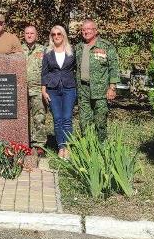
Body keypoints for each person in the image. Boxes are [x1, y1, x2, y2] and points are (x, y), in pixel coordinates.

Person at [75, 19, 120, 141]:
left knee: (100, 122)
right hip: (83, 91)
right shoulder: (78, 47)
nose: (86, 32)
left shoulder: (106, 46)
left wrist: (112, 87)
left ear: (96, 31)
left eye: (89, 29)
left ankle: (102, 148)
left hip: (100, 91)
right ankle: (88, 149)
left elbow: (114, 67)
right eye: (83, 30)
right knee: (84, 122)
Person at [41, 25, 77, 159]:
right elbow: (44, 72)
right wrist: (43, 90)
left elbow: (77, 70)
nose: (56, 36)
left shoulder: (71, 51)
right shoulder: (48, 52)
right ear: (51, 36)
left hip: (69, 88)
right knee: (57, 119)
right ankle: (60, 147)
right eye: (53, 34)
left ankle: (68, 147)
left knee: (67, 119)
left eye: (59, 34)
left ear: (63, 35)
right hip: (52, 89)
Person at [22, 24, 47, 151]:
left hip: (38, 89)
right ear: (24, 35)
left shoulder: (44, 50)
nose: (29, 35)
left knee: (39, 117)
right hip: (22, 90)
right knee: (23, 117)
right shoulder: (19, 51)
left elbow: (48, 70)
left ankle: (39, 144)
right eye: (27, 33)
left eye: (32, 33)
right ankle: (24, 142)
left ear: (36, 35)